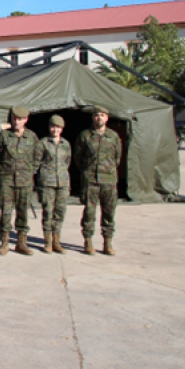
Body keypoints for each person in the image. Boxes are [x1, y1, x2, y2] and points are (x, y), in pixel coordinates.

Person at [74, 106, 122, 256]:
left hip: (109, 180)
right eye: (96, 115)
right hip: (91, 180)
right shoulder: (85, 136)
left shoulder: (113, 136)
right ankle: (88, 242)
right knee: (89, 212)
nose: (99, 118)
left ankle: (108, 243)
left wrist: (108, 170)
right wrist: (87, 171)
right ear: (92, 117)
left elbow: (117, 158)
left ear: (107, 118)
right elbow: (78, 158)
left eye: (102, 115)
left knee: (109, 212)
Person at [0, 106, 42, 256]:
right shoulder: (4, 136)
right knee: (6, 211)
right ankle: (4, 242)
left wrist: (30, 171)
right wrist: (3, 172)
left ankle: (21, 243)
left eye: (20, 119)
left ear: (26, 120)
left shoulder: (32, 137)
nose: (17, 121)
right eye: (15, 119)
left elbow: (37, 157)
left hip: (25, 181)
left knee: (23, 212)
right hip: (7, 180)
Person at [37, 115, 71, 254]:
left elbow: (67, 161)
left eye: (58, 127)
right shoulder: (43, 143)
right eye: (53, 126)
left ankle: (57, 241)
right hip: (47, 182)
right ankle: (48, 241)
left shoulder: (66, 144)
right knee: (48, 212)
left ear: (62, 129)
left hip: (62, 182)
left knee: (60, 212)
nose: (55, 129)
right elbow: (38, 161)